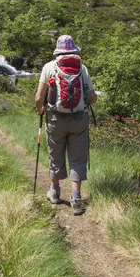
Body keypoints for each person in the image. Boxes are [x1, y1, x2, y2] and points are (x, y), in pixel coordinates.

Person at [34, 35, 97, 215]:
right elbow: (92, 98)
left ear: (57, 50)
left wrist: (41, 110)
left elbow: (39, 97)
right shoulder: (82, 68)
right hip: (79, 120)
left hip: (55, 119)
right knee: (77, 158)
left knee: (56, 153)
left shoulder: (49, 67)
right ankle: (76, 197)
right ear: (73, 50)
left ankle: (54, 192)